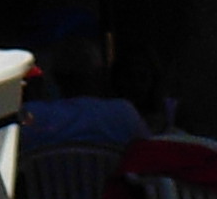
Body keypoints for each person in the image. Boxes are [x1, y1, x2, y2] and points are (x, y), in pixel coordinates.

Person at [18, 38, 147, 155]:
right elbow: (149, 156)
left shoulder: (33, 116)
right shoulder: (123, 114)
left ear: (56, 77)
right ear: (99, 75)